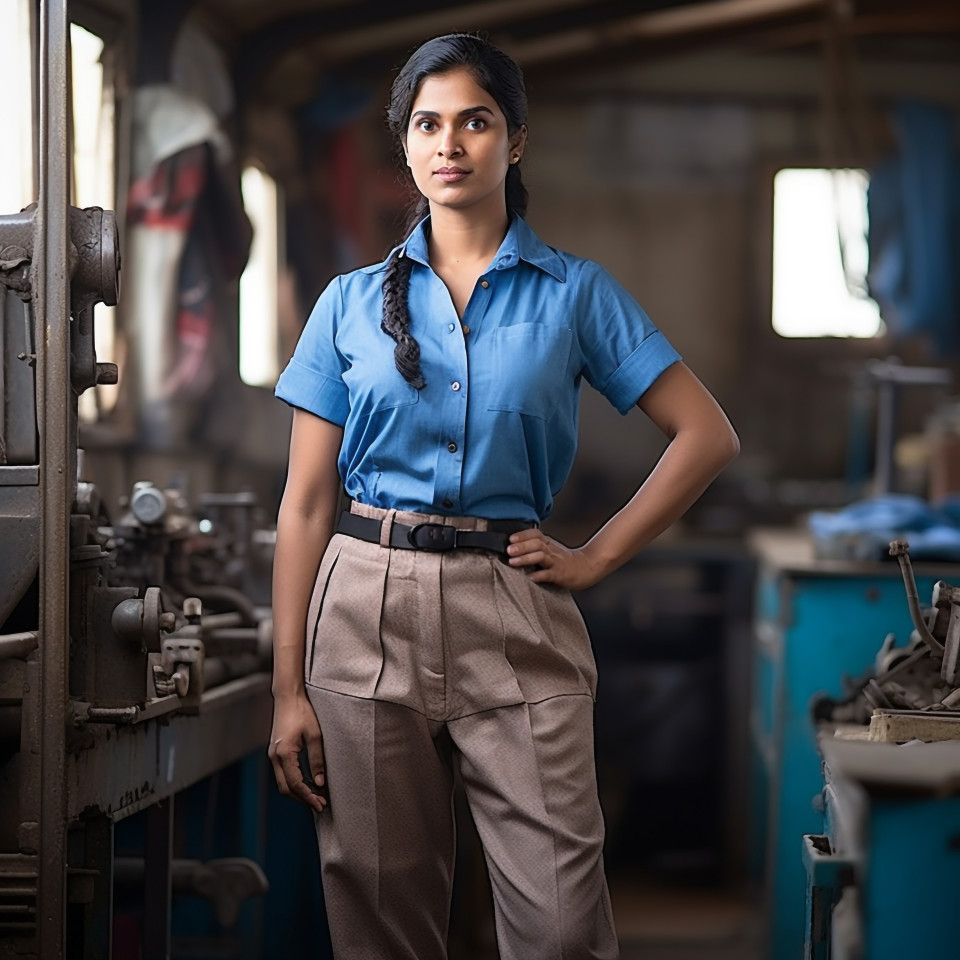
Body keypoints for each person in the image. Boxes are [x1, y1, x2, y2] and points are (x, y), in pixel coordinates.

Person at [268, 33, 739, 960]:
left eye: (475, 121)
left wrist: (597, 554)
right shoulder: (348, 303)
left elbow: (707, 435)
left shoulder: (575, 294)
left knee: (561, 921)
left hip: (516, 606)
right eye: (428, 124)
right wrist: (288, 688)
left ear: (514, 141)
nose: (450, 144)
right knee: (382, 914)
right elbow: (305, 507)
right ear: (404, 145)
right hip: (364, 606)